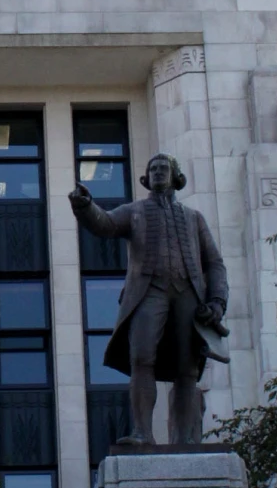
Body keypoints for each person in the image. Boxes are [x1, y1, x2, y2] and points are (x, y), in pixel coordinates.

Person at [68, 153, 228, 448]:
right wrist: (86, 206)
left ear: (175, 176)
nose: (157, 172)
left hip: (188, 295)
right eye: (152, 168)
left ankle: (186, 441)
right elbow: (105, 224)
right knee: (141, 359)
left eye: (163, 168)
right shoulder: (135, 211)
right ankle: (143, 432)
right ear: (146, 177)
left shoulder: (194, 218)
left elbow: (215, 263)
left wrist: (217, 301)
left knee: (187, 371)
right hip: (148, 292)